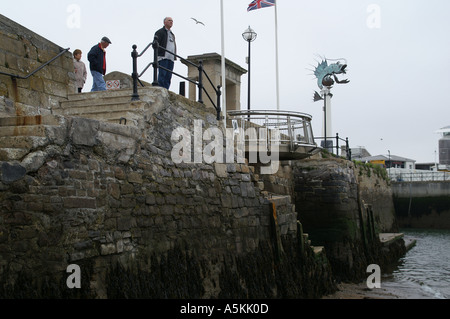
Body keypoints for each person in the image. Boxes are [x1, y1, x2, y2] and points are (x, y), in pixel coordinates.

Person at [155, 17, 177, 90]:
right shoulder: (160, 32)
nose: (171, 22)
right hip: (163, 57)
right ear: (164, 22)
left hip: (171, 58)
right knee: (162, 74)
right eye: (169, 20)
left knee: (168, 76)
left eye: (172, 21)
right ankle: (161, 89)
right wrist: (159, 53)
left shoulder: (172, 34)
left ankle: (166, 89)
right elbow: (155, 44)